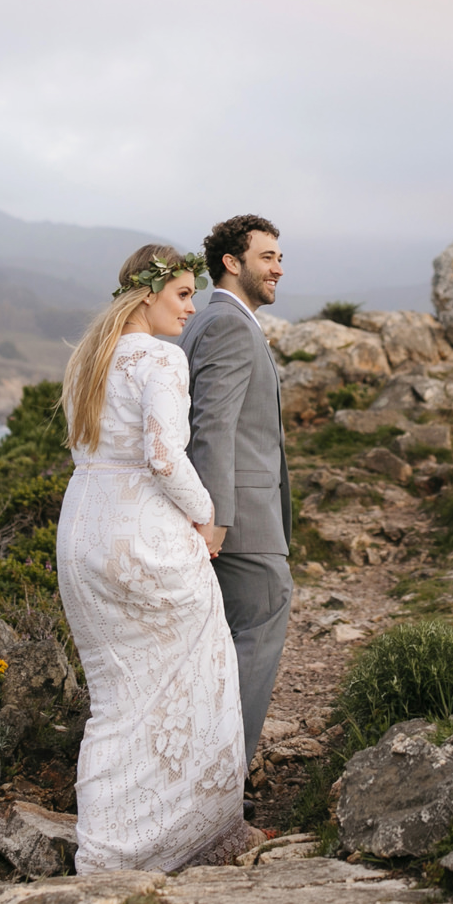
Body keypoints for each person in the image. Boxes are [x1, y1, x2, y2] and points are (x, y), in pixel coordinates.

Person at [54, 242, 253, 872]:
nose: (192, 309)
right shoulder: (159, 358)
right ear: (148, 294)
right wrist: (205, 516)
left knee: (114, 699)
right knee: (198, 676)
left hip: (83, 533)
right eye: (183, 295)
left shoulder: (92, 358)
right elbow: (166, 457)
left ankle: (105, 852)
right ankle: (189, 839)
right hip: (145, 538)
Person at [178, 214, 292, 780]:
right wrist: (216, 516)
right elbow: (212, 426)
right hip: (241, 520)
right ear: (232, 261)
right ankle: (224, 784)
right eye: (267, 256)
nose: (278, 268)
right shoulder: (227, 324)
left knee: (220, 648)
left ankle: (201, 777)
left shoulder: (203, 320)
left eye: (278, 258)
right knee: (258, 631)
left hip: (233, 514)